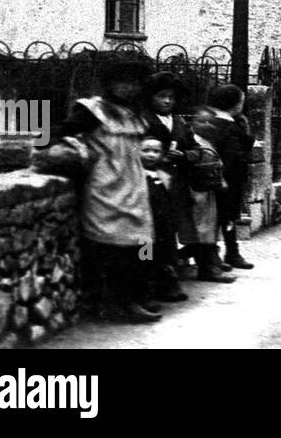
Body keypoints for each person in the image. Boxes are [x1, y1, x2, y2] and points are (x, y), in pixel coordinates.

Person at [48, 59, 159, 323]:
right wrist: (46, 151)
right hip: (105, 186)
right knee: (110, 247)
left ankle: (140, 294)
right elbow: (59, 129)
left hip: (134, 184)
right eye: (123, 83)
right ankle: (113, 302)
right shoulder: (92, 110)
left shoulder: (137, 114)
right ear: (110, 84)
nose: (129, 88)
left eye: (134, 83)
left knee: (144, 243)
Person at [140, 72, 201, 279]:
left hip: (176, 185)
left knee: (170, 230)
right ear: (151, 97)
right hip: (149, 184)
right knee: (148, 232)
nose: (167, 101)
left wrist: (184, 155)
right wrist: (159, 158)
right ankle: (147, 274)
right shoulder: (142, 120)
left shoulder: (179, 122)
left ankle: (168, 272)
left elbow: (196, 150)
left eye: (171, 97)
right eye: (162, 96)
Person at [203, 84, 256, 271]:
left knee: (230, 216)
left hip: (235, 177)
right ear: (233, 104)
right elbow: (231, 152)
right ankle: (216, 255)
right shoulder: (222, 124)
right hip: (223, 176)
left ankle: (231, 252)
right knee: (219, 216)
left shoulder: (236, 122)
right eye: (241, 101)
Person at [182, 108, 236, 283]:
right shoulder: (194, 141)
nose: (206, 125)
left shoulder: (208, 141)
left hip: (207, 191)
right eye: (200, 121)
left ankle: (207, 262)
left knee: (205, 230)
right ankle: (207, 267)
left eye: (209, 122)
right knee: (201, 230)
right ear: (193, 123)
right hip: (196, 190)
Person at [139, 138, 187, 304]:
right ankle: (146, 291)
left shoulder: (164, 175)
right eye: (146, 150)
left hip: (163, 225)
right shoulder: (136, 176)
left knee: (166, 254)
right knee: (145, 256)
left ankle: (167, 286)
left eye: (156, 151)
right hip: (144, 226)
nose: (151, 155)